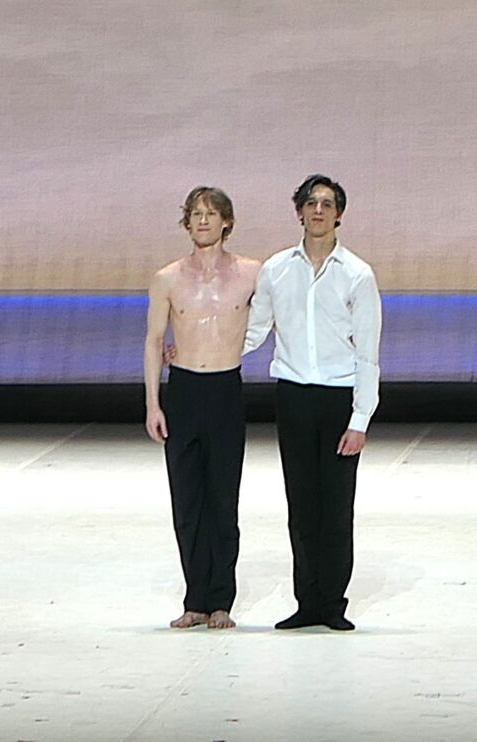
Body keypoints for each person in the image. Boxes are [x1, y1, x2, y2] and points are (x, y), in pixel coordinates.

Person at [244, 174, 382, 631]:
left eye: (326, 203)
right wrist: (196, 349)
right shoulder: (276, 269)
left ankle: (333, 603)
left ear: (339, 214)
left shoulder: (357, 274)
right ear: (299, 211)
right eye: (311, 203)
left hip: (339, 397)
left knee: (336, 507)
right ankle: (307, 601)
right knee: (301, 504)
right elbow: (253, 331)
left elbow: (368, 352)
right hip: (293, 395)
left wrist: (360, 418)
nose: (318, 210)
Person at [144, 186, 261, 629]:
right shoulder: (168, 278)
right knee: (187, 500)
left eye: (211, 213)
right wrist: (153, 403)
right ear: (187, 222)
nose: (203, 220)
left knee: (223, 500)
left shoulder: (252, 273)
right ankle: (195, 598)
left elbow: (275, 318)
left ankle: (221, 601)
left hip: (225, 390)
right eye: (195, 214)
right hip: (184, 390)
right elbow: (154, 340)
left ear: (227, 221)